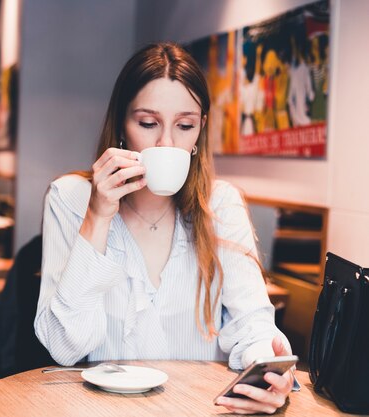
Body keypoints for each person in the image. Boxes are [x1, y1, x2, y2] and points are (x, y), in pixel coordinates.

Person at [35, 42, 295, 415]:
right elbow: (64, 346)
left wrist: (269, 375)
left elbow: (252, 324)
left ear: (200, 129)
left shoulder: (220, 204)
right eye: (147, 123)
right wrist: (98, 214)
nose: (166, 143)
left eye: (185, 126)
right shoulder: (71, 197)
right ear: (121, 124)